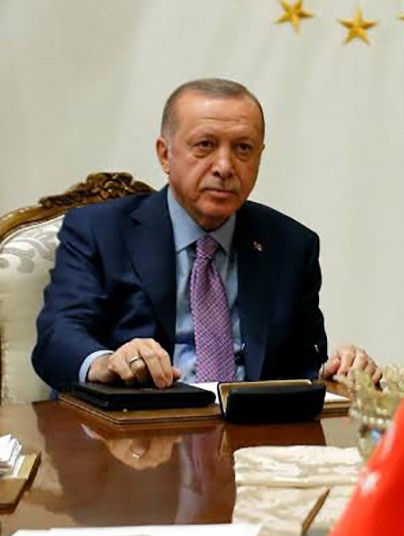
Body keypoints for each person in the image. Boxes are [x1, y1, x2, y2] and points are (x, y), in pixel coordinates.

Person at [33, 78, 381, 390]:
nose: (225, 166)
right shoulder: (98, 230)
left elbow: (301, 362)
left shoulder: (290, 244)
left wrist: (333, 371)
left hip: (253, 436)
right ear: (165, 154)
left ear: (260, 156)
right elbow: (58, 337)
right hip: (137, 433)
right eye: (205, 145)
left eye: (243, 148)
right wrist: (107, 361)